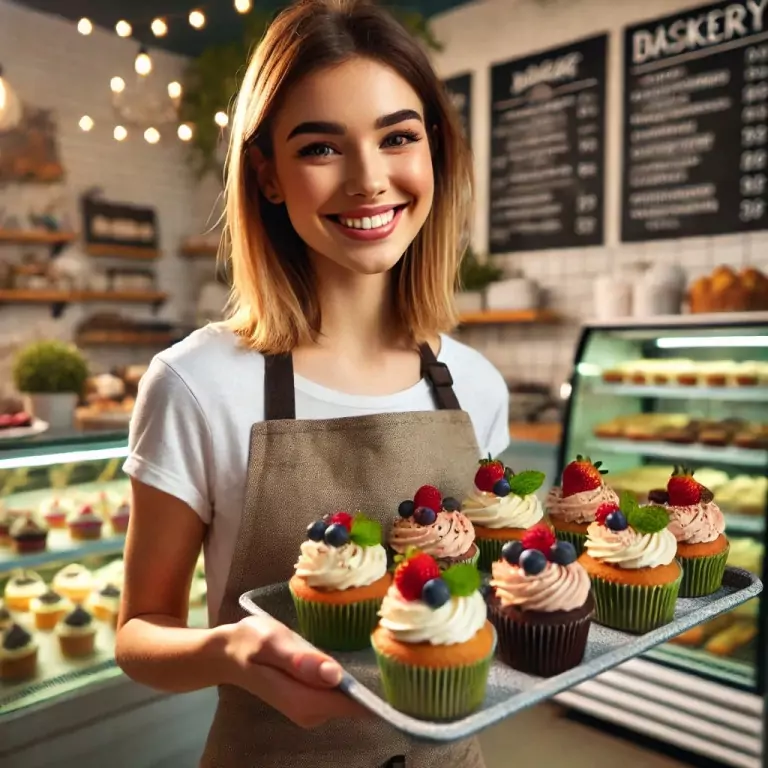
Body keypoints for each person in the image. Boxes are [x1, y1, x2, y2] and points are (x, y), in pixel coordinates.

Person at [115, 0, 509, 765]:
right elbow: (140, 633)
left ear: (434, 152)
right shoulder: (196, 384)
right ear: (266, 174)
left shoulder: (474, 384)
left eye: (397, 137)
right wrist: (229, 654)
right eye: (321, 148)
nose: (369, 181)